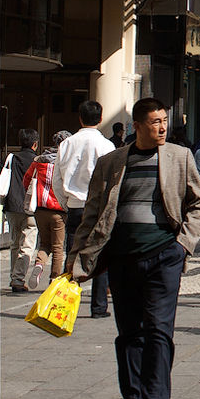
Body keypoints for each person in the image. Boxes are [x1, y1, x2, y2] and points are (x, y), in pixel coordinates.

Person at [65, 97, 200, 399]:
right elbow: (93, 213)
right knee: (129, 330)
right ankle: (133, 394)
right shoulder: (112, 162)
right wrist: (75, 260)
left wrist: (183, 245)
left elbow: (199, 203)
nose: (162, 127)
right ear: (137, 126)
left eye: (164, 121)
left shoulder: (179, 157)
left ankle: (155, 398)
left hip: (164, 256)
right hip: (122, 257)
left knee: (159, 328)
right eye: (155, 122)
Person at [53, 100, 115, 316]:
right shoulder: (107, 146)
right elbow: (113, 181)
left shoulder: (66, 144)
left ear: (80, 118)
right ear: (100, 118)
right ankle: (98, 306)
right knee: (99, 254)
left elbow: (56, 179)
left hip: (75, 206)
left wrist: (65, 203)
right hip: (98, 209)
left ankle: (65, 305)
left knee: (73, 254)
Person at [22, 130, 71, 289]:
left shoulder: (39, 160)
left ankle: (39, 265)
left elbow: (26, 180)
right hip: (59, 210)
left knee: (44, 243)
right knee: (58, 248)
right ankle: (54, 281)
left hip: (40, 209)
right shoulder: (65, 161)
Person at [4, 128, 39, 292]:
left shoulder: (11, 158)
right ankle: (18, 279)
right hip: (30, 207)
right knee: (27, 244)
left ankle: (13, 276)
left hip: (12, 206)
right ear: (35, 144)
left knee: (14, 243)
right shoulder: (37, 161)